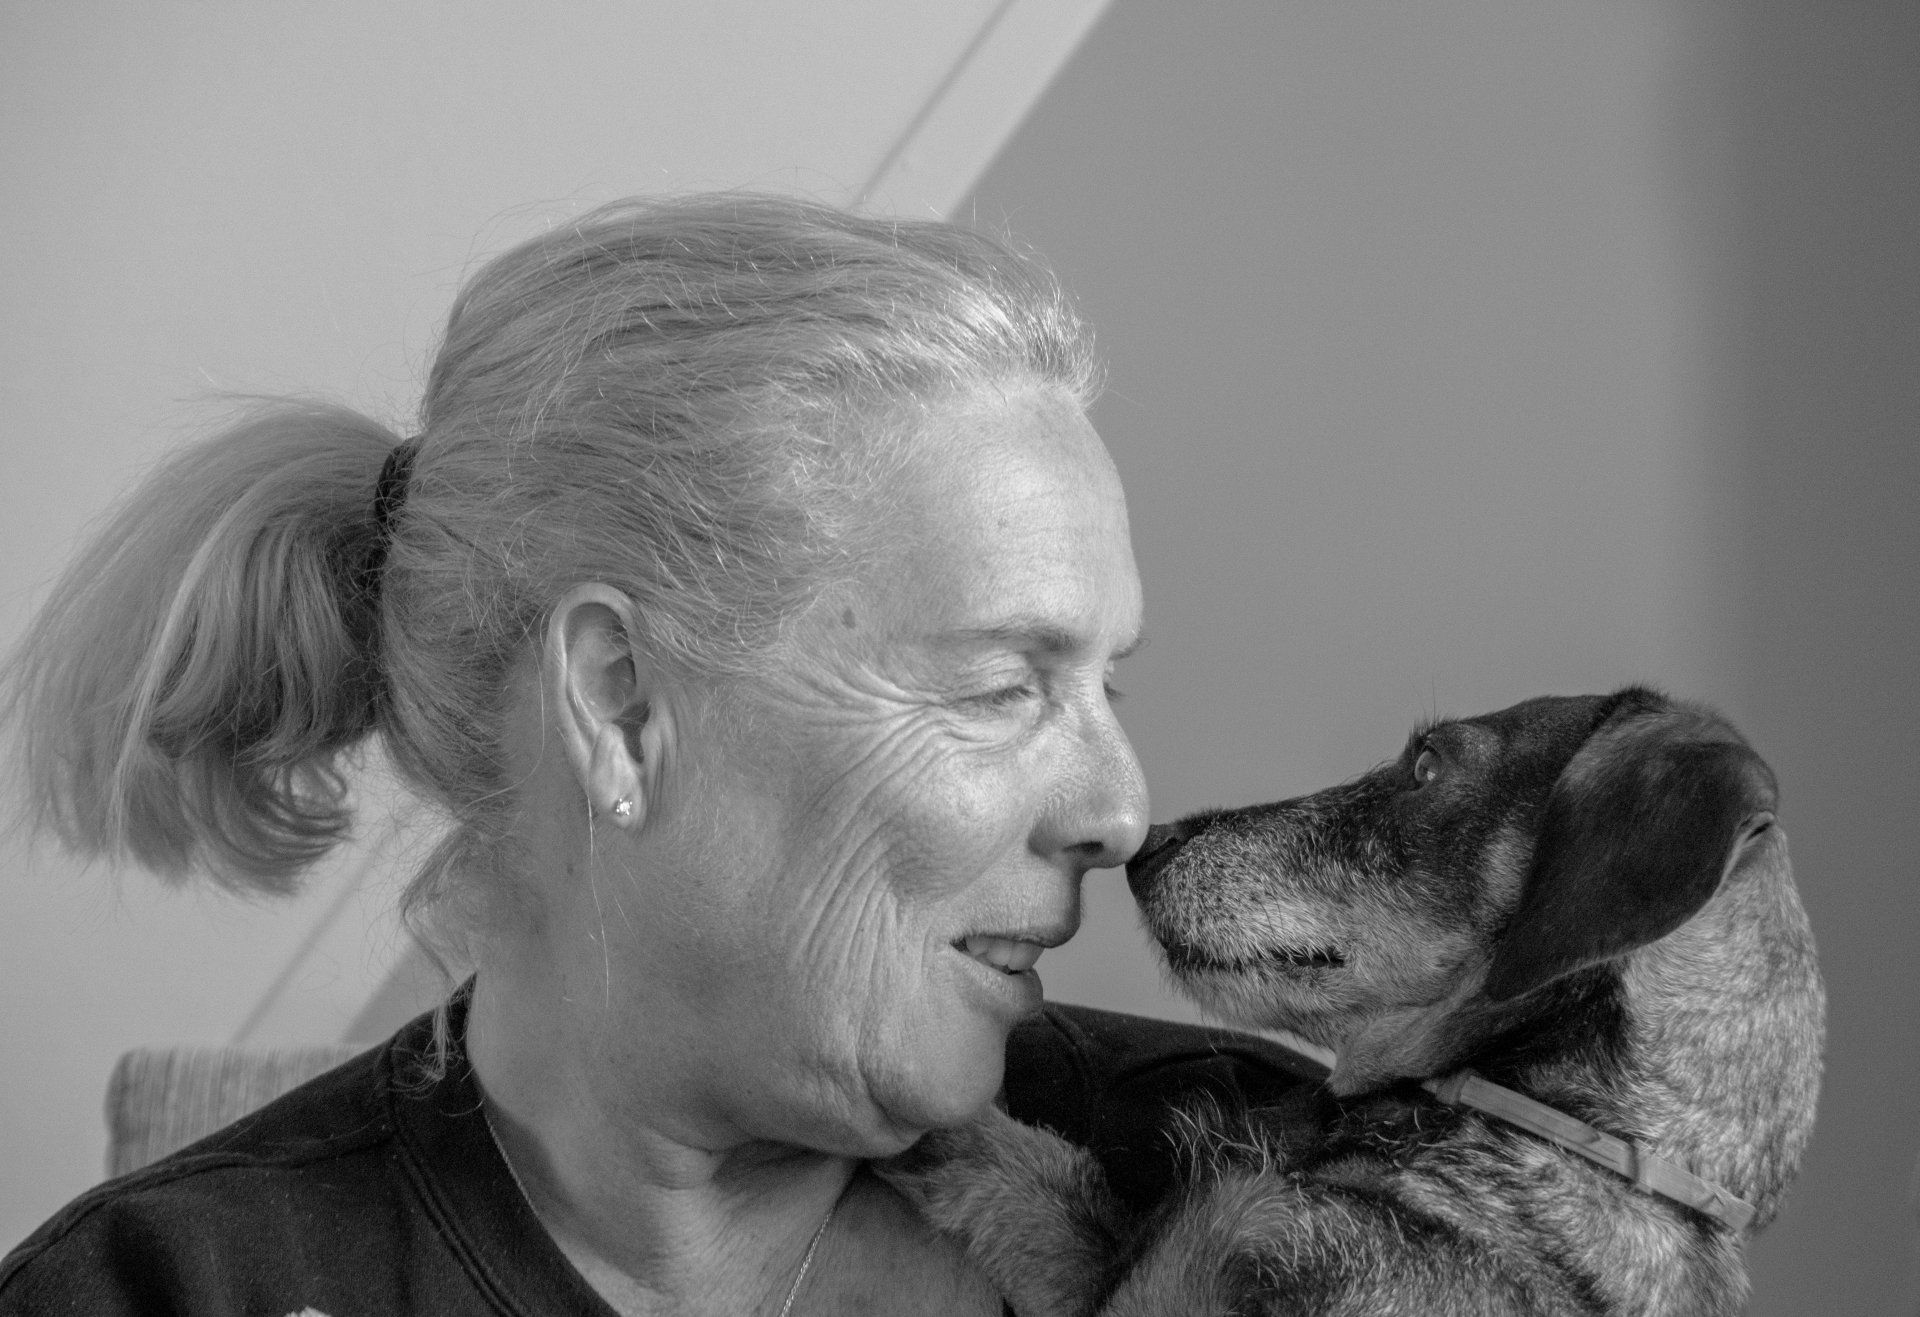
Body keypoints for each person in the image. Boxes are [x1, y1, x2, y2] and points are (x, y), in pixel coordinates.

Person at [0, 194, 1314, 1314]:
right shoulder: (164, 1289)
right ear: (618, 703)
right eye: (1003, 684)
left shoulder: (1275, 1191)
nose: (1121, 808)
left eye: (1104, 682)